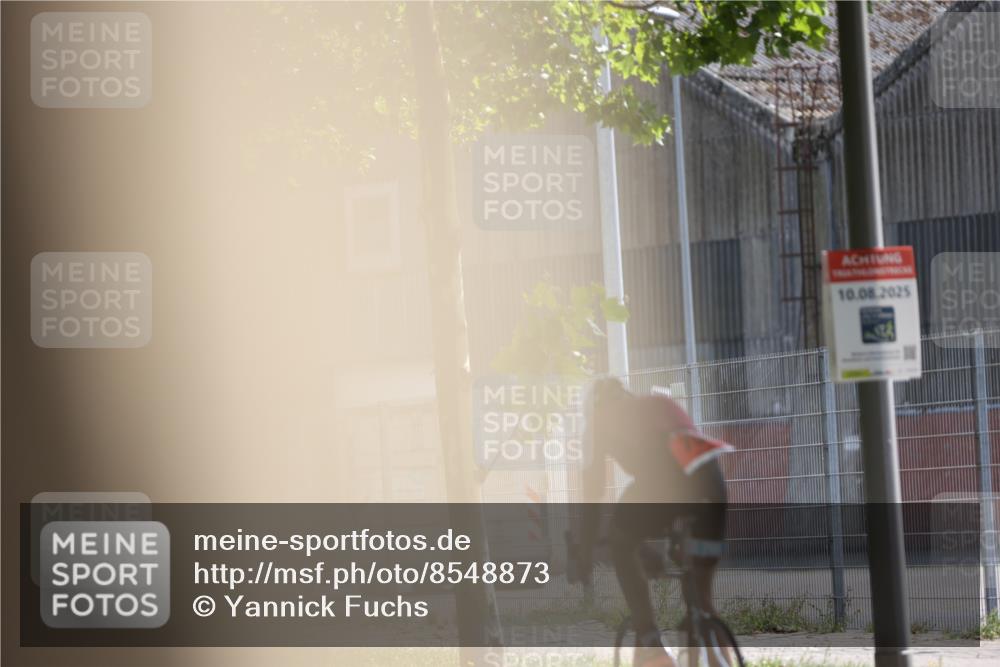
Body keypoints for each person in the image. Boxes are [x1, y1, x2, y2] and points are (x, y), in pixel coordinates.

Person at [574, 378, 730, 667]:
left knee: (621, 541)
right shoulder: (660, 403)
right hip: (710, 483)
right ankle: (711, 639)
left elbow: (593, 496)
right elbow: (687, 465)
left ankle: (650, 642)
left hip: (664, 482)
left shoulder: (600, 421)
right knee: (701, 596)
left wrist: (585, 551)